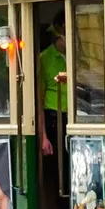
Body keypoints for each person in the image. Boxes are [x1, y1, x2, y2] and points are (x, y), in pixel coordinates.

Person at [38, 15, 68, 159]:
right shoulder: (44, 59)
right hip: (54, 119)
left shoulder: (80, 55)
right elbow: (39, 99)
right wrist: (43, 136)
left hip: (80, 116)